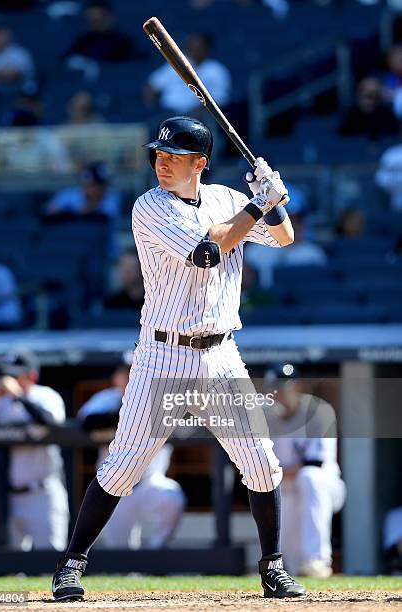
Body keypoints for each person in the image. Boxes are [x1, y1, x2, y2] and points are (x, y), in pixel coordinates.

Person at [51, 115, 307, 602]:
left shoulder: (227, 198)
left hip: (221, 354)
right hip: (162, 354)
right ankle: (70, 564)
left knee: (259, 461)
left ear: (201, 163)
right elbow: (207, 251)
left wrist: (273, 199)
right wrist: (259, 202)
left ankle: (273, 566)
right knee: (124, 467)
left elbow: (283, 237)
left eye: (174, 157)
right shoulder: (149, 206)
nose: (162, 164)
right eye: (159, 156)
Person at [0, 349, 69, 551]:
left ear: (32, 376)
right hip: (8, 496)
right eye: (6, 374)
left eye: (15, 374)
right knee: (11, 568)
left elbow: (51, 423)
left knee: (51, 560)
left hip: (43, 494)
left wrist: (19, 397)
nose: (8, 380)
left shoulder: (46, 396)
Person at [77, 360, 185, 549]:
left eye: (135, 372)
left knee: (172, 497)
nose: (130, 377)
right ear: (116, 378)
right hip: (116, 483)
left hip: (150, 483)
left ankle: (155, 556)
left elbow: (187, 428)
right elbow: (86, 422)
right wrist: (130, 413)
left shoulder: (162, 398)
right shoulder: (106, 399)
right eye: (126, 373)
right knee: (119, 550)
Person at [264, 363, 346, 578]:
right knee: (290, 564)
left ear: (297, 387)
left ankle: (318, 559)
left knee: (309, 478)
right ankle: (286, 570)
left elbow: (314, 463)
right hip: (285, 486)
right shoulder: (265, 416)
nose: (278, 394)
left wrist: (274, 472)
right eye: (274, 388)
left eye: (283, 388)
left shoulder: (318, 411)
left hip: (324, 484)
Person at [245, 191, 327, 288]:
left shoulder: (314, 254)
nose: (292, 224)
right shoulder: (254, 251)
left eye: (296, 219)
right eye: (283, 219)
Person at [144, 32, 231, 115]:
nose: (194, 49)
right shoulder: (176, 63)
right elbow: (152, 85)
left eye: (198, 46)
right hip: (168, 114)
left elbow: (220, 100)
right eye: (191, 45)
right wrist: (151, 106)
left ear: (206, 48)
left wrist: (200, 111)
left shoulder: (216, 70)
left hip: (199, 116)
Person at [63, 0, 138, 64]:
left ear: (110, 17)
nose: (97, 21)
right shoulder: (82, 42)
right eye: (93, 19)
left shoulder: (123, 42)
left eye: (101, 17)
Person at [338, 77, 399, 141]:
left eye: (375, 96)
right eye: (368, 96)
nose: (371, 100)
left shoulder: (387, 116)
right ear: (358, 95)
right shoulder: (349, 116)